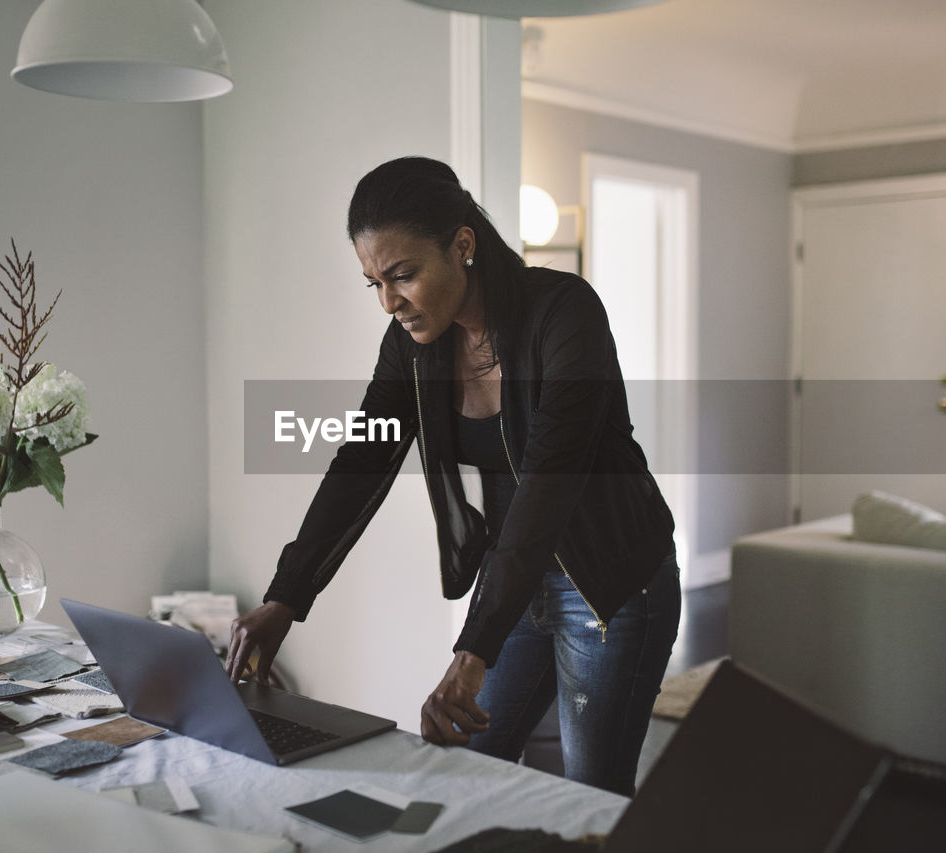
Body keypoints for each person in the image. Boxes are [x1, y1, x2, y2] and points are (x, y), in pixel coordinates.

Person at [225, 156, 680, 796]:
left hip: (611, 582)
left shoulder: (564, 315)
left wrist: (472, 652)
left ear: (462, 245)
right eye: (374, 283)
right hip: (516, 578)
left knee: (592, 795)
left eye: (403, 275)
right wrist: (287, 596)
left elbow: (546, 487)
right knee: (464, 772)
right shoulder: (412, 345)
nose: (389, 302)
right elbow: (361, 461)